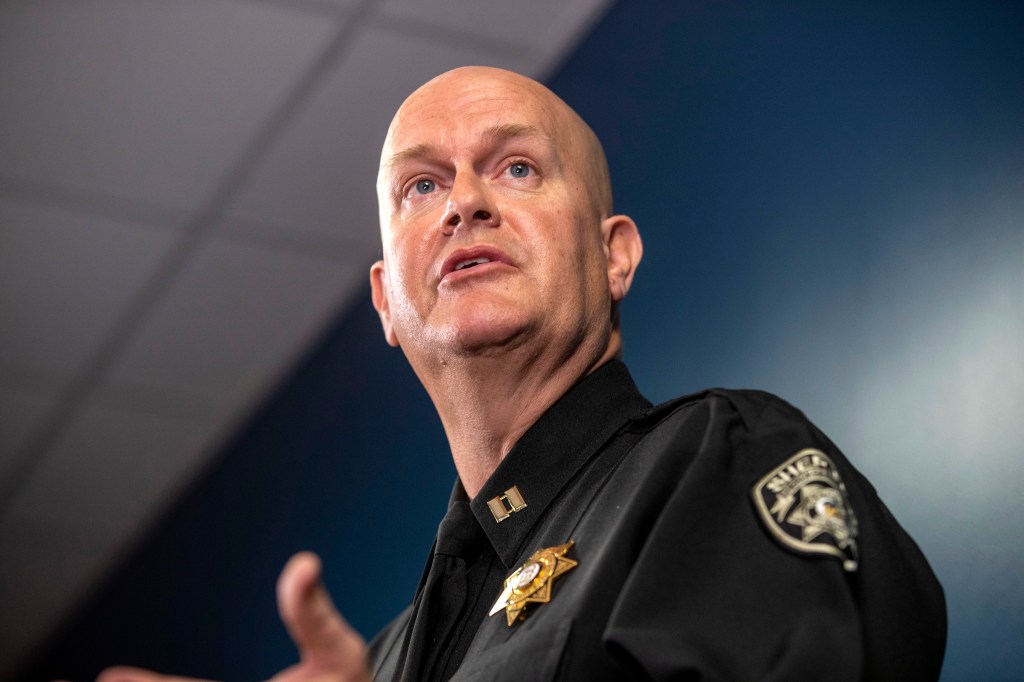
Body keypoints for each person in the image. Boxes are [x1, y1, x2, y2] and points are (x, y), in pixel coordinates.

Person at [99, 66, 946, 682]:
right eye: (421, 185)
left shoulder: (720, 460)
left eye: (516, 168)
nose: (465, 202)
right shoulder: (388, 660)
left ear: (615, 256)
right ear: (388, 301)